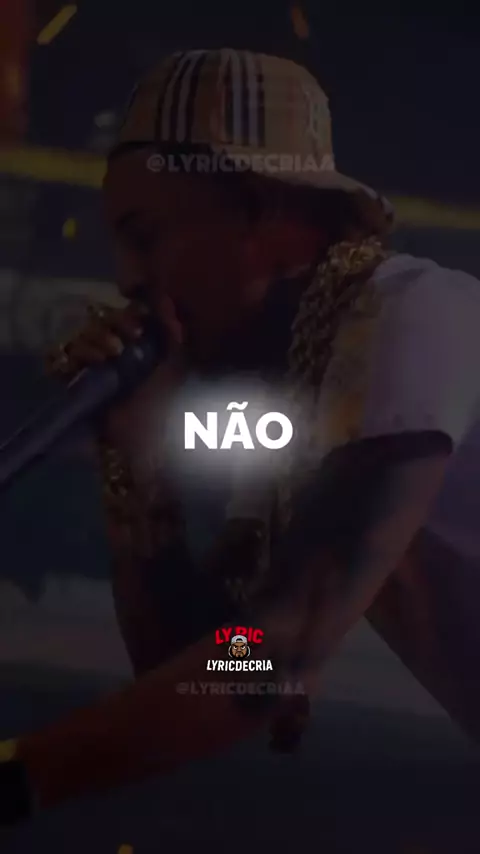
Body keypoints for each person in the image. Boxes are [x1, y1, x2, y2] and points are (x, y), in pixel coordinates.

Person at [2, 47, 480, 824]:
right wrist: (135, 461)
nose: (126, 278)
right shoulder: (307, 384)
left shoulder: (411, 317)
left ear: (262, 213)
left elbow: (274, 652)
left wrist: (17, 777)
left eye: (146, 235)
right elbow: (199, 670)